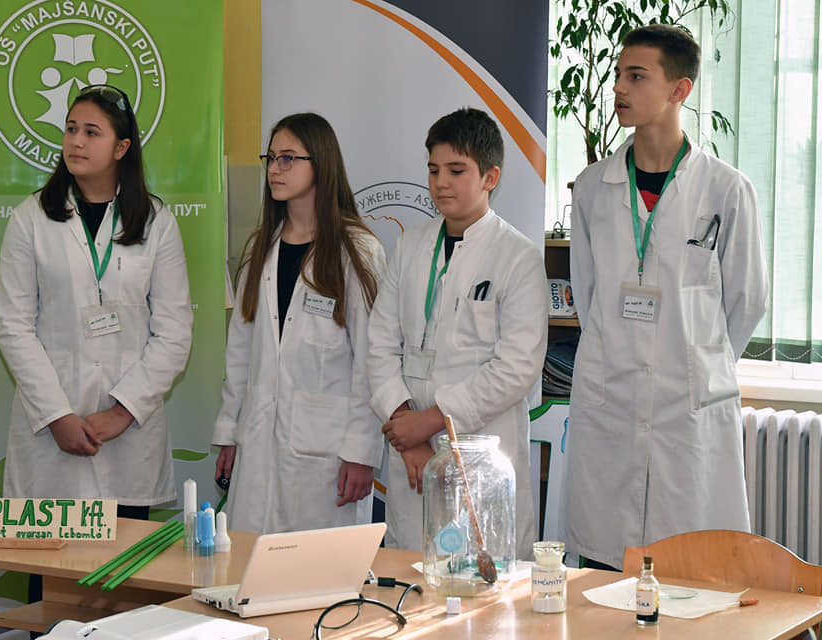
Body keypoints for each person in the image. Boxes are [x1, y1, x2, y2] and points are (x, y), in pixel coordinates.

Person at [565, 25, 769, 570]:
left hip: (689, 405)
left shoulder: (726, 190)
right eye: (618, 75)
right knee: (607, 570)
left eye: (636, 76)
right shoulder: (592, 188)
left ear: (680, 90)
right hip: (611, 399)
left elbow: (747, 299)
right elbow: (587, 292)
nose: (619, 88)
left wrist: (697, 361)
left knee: (692, 570)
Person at [0, 84, 193, 521]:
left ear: (121, 148)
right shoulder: (30, 218)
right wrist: (57, 415)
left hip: (128, 437)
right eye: (70, 129)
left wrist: (123, 411)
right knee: (51, 561)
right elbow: (13, 326)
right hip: (51, 436)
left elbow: (175, 333)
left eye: (91, 132)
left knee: (124, 562)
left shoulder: (156, 223)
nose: (76, 142)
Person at [367, 108, 548, 555]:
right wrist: (407, 435)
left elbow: (516, 368)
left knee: (484, 580)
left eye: (456, 170)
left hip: (482, 455)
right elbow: (379, 345)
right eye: (433, 170)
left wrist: (430, 422)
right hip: (412, 456)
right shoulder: (410, 245)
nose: (441, 182)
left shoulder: (518, 257)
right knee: (413, 576)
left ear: (491, 177)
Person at [212, 112, 386, 534]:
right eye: (270, 158)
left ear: (321, 164)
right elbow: (240, 353)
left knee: (318, 567)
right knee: (249, 560)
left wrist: (361, 452)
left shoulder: (356, 251)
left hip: (328, 454)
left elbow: (373, 362)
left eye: (288, 158)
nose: (275, 169)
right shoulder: (260, 248)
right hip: (257, 442)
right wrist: (230, 431)